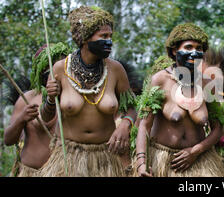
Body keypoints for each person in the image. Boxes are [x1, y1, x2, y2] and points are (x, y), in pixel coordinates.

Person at [40, 6, 136, 177]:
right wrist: (49, 98)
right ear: (85, 38)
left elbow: (132, 108)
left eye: (110, 36)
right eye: (104, 36)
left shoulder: (115, 69)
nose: (109, 41)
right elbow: (46, 117)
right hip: (69, 157)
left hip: (105, 158)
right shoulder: (60, 69)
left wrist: (125, 124)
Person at [135, 23, 224, 177]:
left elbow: (218, 127)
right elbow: (144, 125)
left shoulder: (208, 84)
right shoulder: (160, 80)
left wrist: (195, 151)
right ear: (174, 50)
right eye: (188, 47)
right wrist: (141, 163)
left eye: (199, 48)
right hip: (165, 161)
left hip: (201, 161)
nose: (194, 52)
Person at [4, 43, 71, 176]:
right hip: (31, 172)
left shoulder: (73, 98)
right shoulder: (28, 98)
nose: (53, 72)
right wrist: (21, 118)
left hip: (65, 171)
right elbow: (8, 140)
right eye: (48, 68)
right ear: (39, 71)